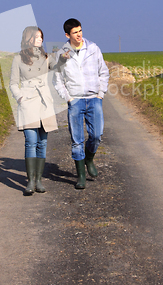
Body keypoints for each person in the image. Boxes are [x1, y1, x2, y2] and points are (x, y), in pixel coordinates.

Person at [53, 18, 109, 189]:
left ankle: (89, 159)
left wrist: (100, 94)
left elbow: (103, 72)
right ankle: (81, 177)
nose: (79, 35)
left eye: (80, 31)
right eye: (75, 33)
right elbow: (57, 79)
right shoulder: (62, 53)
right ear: (67, 35)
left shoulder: (93, 48)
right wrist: (68, 98)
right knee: (77, 140)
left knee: (96, 135)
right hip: (75, 101)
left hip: (94, 99)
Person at [10, 26, 61, 195]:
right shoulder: (18, 59)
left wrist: (63, 57)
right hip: (28, 102)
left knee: (42, 142)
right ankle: (30, 181)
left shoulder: (46, 57)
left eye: (41, 37)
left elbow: (58, 67)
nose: (40, 39)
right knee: (30, 140)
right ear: (28, 39)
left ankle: (39, 180)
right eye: (37, 37)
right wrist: (20, 98)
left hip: (44, 103)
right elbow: (12, 83)